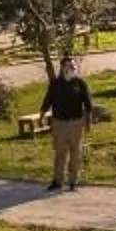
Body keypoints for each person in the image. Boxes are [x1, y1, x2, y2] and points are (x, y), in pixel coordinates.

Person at [44, 56, 94, 191]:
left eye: (73, 66)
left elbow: (88, 104)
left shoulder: (80, 83)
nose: (72, 68)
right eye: (69, 66)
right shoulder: (55, 84)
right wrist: (43, 113)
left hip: (76, 123)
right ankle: (57, 181)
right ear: (62, 68)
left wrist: (88, 122)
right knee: (60, 153)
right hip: (59, 123)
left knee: (75, 153)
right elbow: (48, 100)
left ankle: (73, 181)